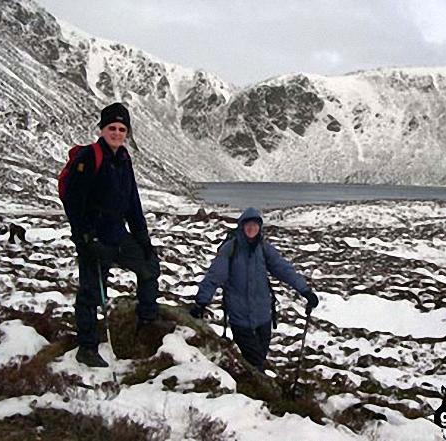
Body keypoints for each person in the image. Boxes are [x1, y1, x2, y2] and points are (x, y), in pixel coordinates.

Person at [62, 102, 173, 368]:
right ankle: (87, 347)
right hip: (94, 238)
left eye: (122, 129)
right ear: (102, 129)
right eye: (112, 127)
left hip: (118, 235)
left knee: (149, 266)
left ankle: (147, 319)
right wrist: (85, 239)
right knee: (91, 292)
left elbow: (132, 203)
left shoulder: (123, 159)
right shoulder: (89, 157)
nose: (117, 133)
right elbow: (73, 200)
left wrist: (143, 239)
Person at [190, 207, 319, 372]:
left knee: (259, 358)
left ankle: (255, 387)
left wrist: (305, 291)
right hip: (240, 318)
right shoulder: (231, 249)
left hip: (263, 316)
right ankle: (260, 390)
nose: (252, 228)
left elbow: (284, 270)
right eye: (248, 225)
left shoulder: (264, 249)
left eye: (255, 225)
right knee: (255, 360)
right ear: (242, 226)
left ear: (260, 228)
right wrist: (201, 302)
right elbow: (215, 276)